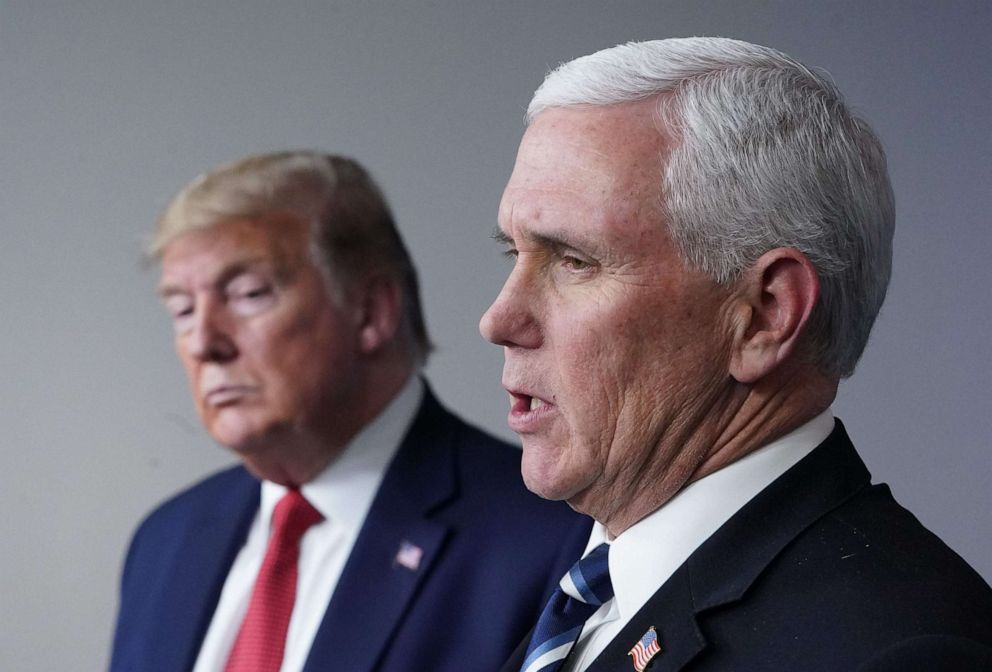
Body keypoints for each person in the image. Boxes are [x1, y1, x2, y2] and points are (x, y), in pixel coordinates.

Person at [482, 38, 992, 672]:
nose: (498, 320)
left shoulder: (906, 653)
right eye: (514, 253)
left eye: (574, 262)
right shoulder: (588, 596)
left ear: (764, 316)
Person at [109, 151, 589, 672]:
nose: (203, 342)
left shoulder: (550, 539)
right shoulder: (165, 541)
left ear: (371, 311)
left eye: (247, 294)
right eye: (181, 309)